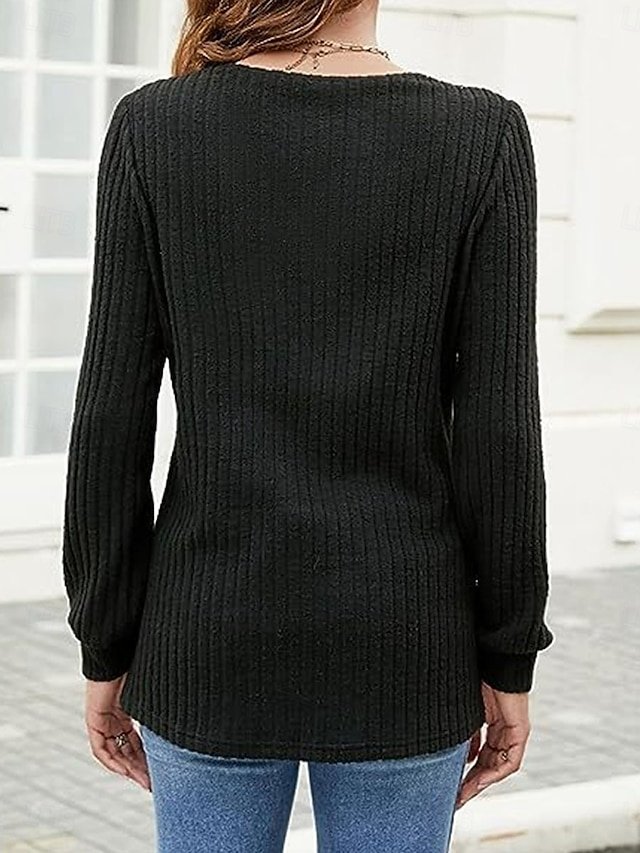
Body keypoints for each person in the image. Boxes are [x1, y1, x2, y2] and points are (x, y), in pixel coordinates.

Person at [61, 0, 554, 850]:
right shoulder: (481, 135)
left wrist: (104, 640)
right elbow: (500, 431)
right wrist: (509, 653)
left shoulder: (154, 127)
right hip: (404, 642)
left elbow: (110, 413)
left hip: (207, 635)